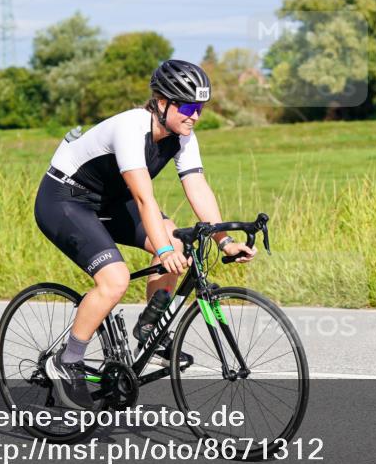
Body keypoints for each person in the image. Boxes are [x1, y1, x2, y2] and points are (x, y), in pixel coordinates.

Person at [33, 59, 256, 409]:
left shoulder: (182, 136)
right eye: (187, 108)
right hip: (65, 200)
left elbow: (196, 185)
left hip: (110, 200)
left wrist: (224, 241)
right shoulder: (130, 128)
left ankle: (150, 329)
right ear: (161, 102)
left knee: (178, 242)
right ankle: (68, 360)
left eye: (200, 108)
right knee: (116, 279)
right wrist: (163, 250)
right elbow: (143, 199)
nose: (195, 116)